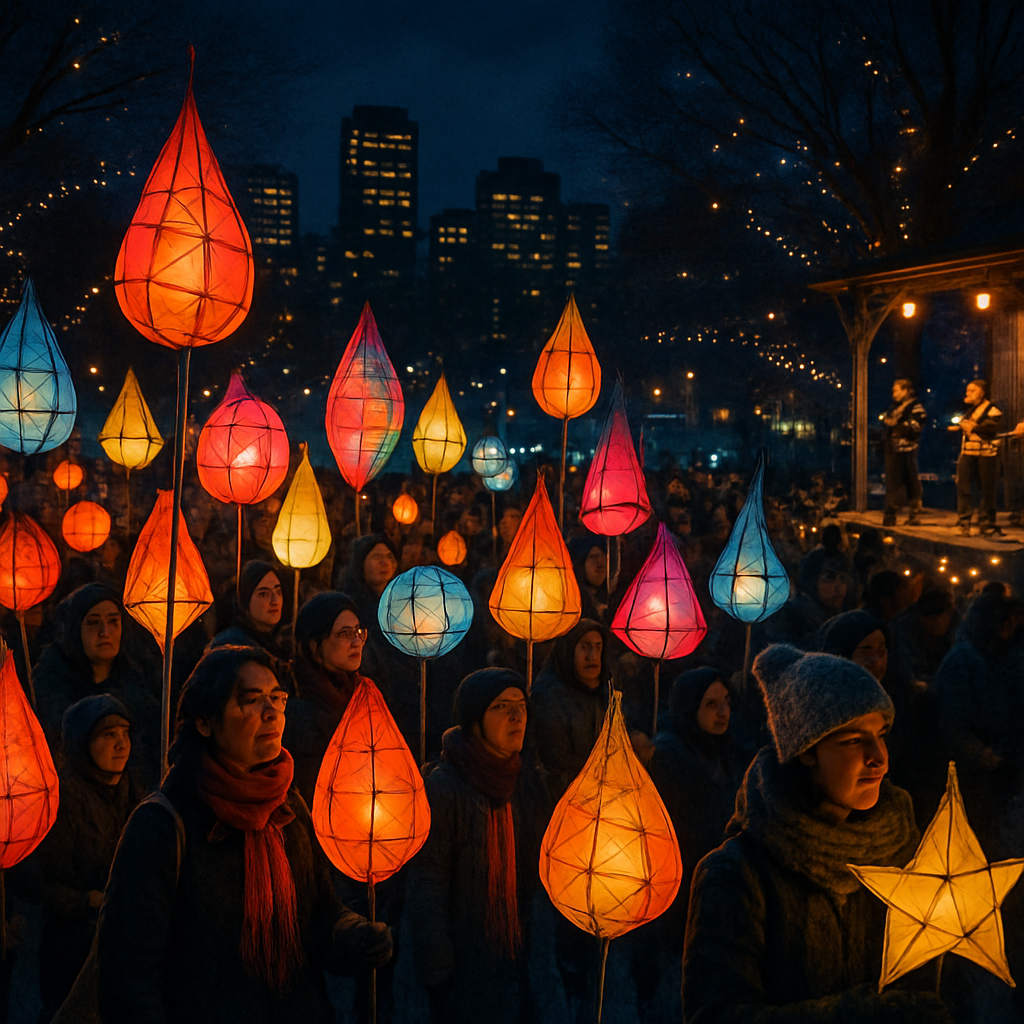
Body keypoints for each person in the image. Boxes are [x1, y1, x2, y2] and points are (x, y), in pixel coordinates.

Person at [95, 645, 392, 1023]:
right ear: (205, 721)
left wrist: (354, 935)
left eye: (277, 698)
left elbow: (320, 914)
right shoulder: (163, 825)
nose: (271, 713)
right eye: (251, 701)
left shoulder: (287, 807)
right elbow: (129, 975)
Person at [682, 644, 952, 1023]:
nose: (879, 757)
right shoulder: (738, 874)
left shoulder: (905, 854)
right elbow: (716, 1015)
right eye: (854, 740)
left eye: (881, 734)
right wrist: (861, 1016)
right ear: (806, 751)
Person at [405, 668, 550, 1024]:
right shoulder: (444, 787)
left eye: (521, 706)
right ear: (474, 720)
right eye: (501, 707)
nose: (516, 716)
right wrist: (437, 962)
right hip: (462, 959)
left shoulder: (527, 780)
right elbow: (428, 879)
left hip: (517, 955)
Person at [643, 668, 748, 1020]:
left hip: (722, 881)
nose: (722, 712)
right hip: (682, 888)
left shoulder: (729, 751)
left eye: (726, 703)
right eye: (711, 705)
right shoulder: (670, 759)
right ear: (690, 708)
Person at [32, 695, 142, 1019]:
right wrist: (87, 900)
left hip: (122, 935)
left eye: (125, 734)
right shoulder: (64, 800)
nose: (121, 744)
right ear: (84, 742)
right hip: (73, 944)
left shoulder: (134, 788)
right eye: (109, 735)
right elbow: (42, 884)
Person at [33, 582, 160, 780]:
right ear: (76, 630)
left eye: (113, 622)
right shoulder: (51, 683)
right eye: (93, 623)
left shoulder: (138, 681)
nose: (105, 632)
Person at [283, 592, 369, 804]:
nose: (356, 641)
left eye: (358, 632)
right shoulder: (293, 708)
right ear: (314, 645)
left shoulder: (362, 693)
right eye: (344, 634)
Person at [530, 619, 612, 799]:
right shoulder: (550, 697)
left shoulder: (606, 692)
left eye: (598, 647)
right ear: (569, 651)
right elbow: (555, 761)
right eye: (584, 647)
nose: (592, 656)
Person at [208, 561, 292, 673]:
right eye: (263, 594)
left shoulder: (279, 645)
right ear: (245, 600)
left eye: (278, 592)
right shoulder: (233, 646)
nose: (275, 601)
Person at [949, 379, 1003, 536]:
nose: (968, 393)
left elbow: (992, 426)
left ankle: (987, 523)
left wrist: (973, 427)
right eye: (967, 390)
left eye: (972, 390)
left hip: (987, 454)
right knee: (963, 486)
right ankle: (964, 521)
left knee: (987, 490)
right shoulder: (971, 411)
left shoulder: (992, 409)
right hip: (968, 453)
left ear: (982, 392)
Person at [882, 379, 927, 526]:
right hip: (893, 449)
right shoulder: (894, 407)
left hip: (907, 449)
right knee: (893, 481)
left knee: (910, 479)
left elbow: (916, 425)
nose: (893, 394)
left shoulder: (915, 407)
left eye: (896, 390)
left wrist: (899, 426)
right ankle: (891, 512)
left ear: (905, 390)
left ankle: (913, 512)